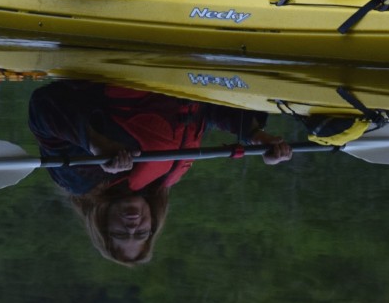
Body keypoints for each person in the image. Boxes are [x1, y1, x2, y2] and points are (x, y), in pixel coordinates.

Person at [29, 79, 292, 266]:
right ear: (153, 224)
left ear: (101, 225)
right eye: (142, 233)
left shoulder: (80, 180)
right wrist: (255, 135)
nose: (132, 226)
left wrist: (95, 143)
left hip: (131, 66)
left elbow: (42, 108)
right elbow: (204, 111)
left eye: (120, 233)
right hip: (188, 75)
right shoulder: (163, 178)